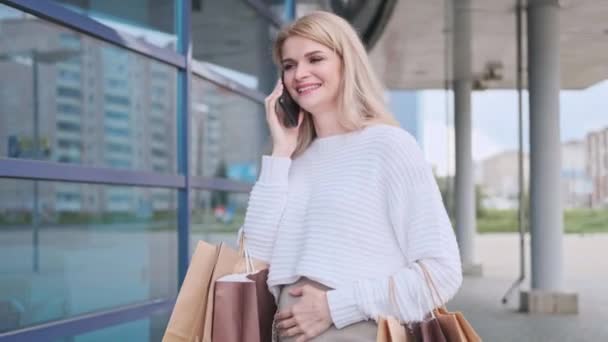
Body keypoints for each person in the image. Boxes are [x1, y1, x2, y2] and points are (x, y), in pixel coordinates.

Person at [238, 10, 462, 342]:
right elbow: (250, 260)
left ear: (347, 63)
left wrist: (334, 306)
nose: (300, 73)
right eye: (289, 65)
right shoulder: (290, 159)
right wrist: (280, 155)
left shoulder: (389, 146)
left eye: (315, 59)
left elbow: (441, 272)